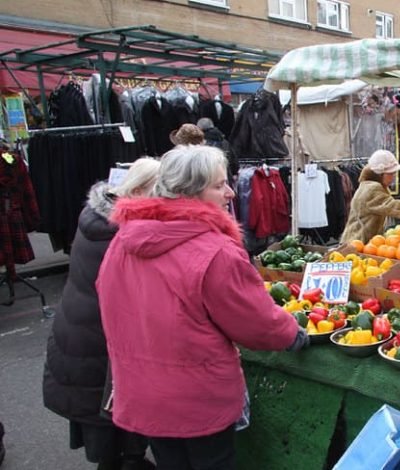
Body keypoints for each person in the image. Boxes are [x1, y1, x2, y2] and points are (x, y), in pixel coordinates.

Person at [95, 146, 308, 470]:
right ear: (190, 192)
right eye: (219, 185)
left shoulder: (123, 241)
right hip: (197, 398)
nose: (230, 192)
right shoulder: (215, 251)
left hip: (142, 391)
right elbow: (255, 321)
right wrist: (291, 332)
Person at [43, 158, 161, 470]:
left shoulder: (96, 217)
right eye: (159, 192)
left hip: (79, 336)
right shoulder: (123, 233)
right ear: (137, 190)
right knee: (114, 416)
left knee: (102, 421)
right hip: (99, 343)